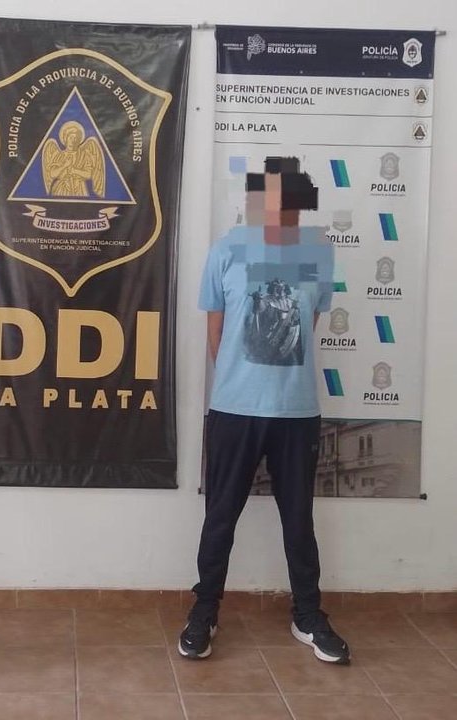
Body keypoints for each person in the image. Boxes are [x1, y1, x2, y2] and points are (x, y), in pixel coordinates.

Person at [179, 157, 349, 664]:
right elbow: (216, 332)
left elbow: (309, 325)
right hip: (234, 410)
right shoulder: (226, 250)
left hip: (296, 412)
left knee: (298, 521)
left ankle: (308, 615)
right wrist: (243, 381)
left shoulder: (319, 253)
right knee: (220, 517)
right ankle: (204, 612)